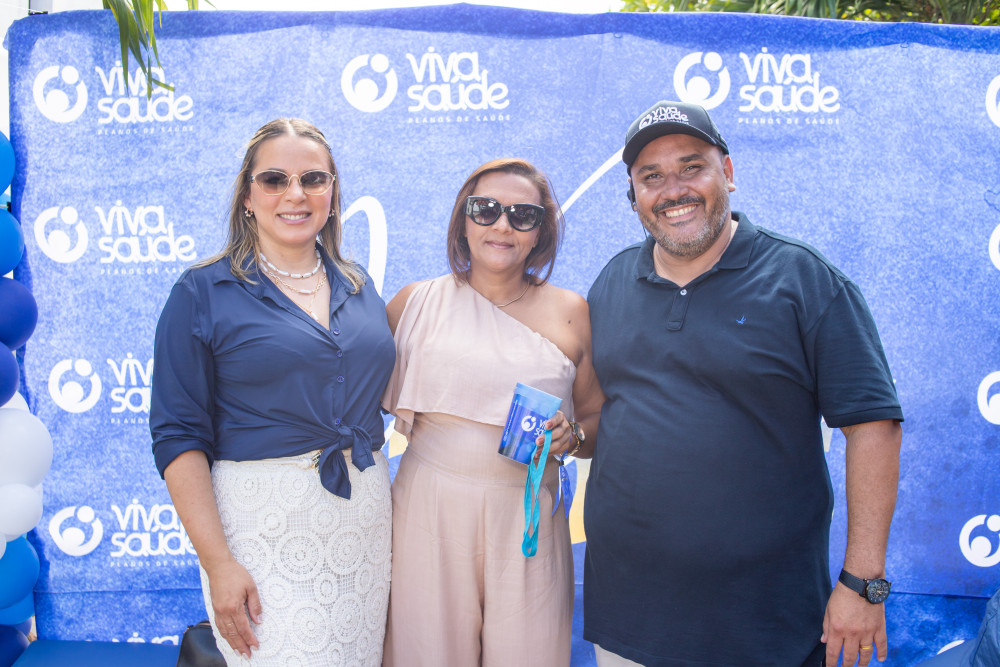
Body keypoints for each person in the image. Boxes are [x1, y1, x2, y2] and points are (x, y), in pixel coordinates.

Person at [584, 101, 904, 667]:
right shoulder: (612, 281)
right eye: (651, 177)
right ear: (633, 195)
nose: (673, 190)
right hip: (629, 619)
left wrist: (863, 584)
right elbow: (601, 415)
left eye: (691, 167)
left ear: (727, 173)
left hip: (764, 625)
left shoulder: (804, 279)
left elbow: (873, 426)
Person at [149, 118, 395, 666]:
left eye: (313, 178)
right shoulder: (202, 292)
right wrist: (218, 563)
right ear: (247, 196)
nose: (295, 194)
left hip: (363, 524)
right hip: (262, 529)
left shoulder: (359, 286)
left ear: (332, 193)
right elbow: (178, 437)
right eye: (274, 179)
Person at [381, 158, 604, 666]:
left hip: (527, 519)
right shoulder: (414, 303)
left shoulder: (573, 313)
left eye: (523, 215)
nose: (502, 225)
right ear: (463, 220)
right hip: (426, 512)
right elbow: (347, 401)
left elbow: (596, 420)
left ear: (540, 232)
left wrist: (574, 437)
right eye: (485, 209)